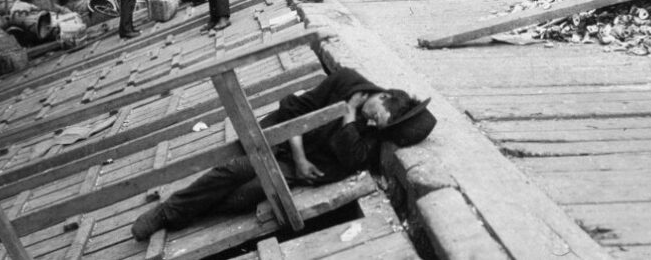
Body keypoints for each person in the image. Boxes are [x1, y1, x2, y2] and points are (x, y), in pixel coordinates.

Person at [130, 67, 436, 241]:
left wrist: (349, 116)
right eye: (375, 115)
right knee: (236, 170)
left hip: (307, 168)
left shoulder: (370, 126)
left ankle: (190, 211)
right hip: (285, 142)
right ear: (383, 96)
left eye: (376, 124)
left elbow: (352, 157)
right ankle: (168, 212)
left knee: (245, 197)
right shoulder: (345, 80)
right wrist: (300, 157)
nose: (370, 123)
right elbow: (293, 111)